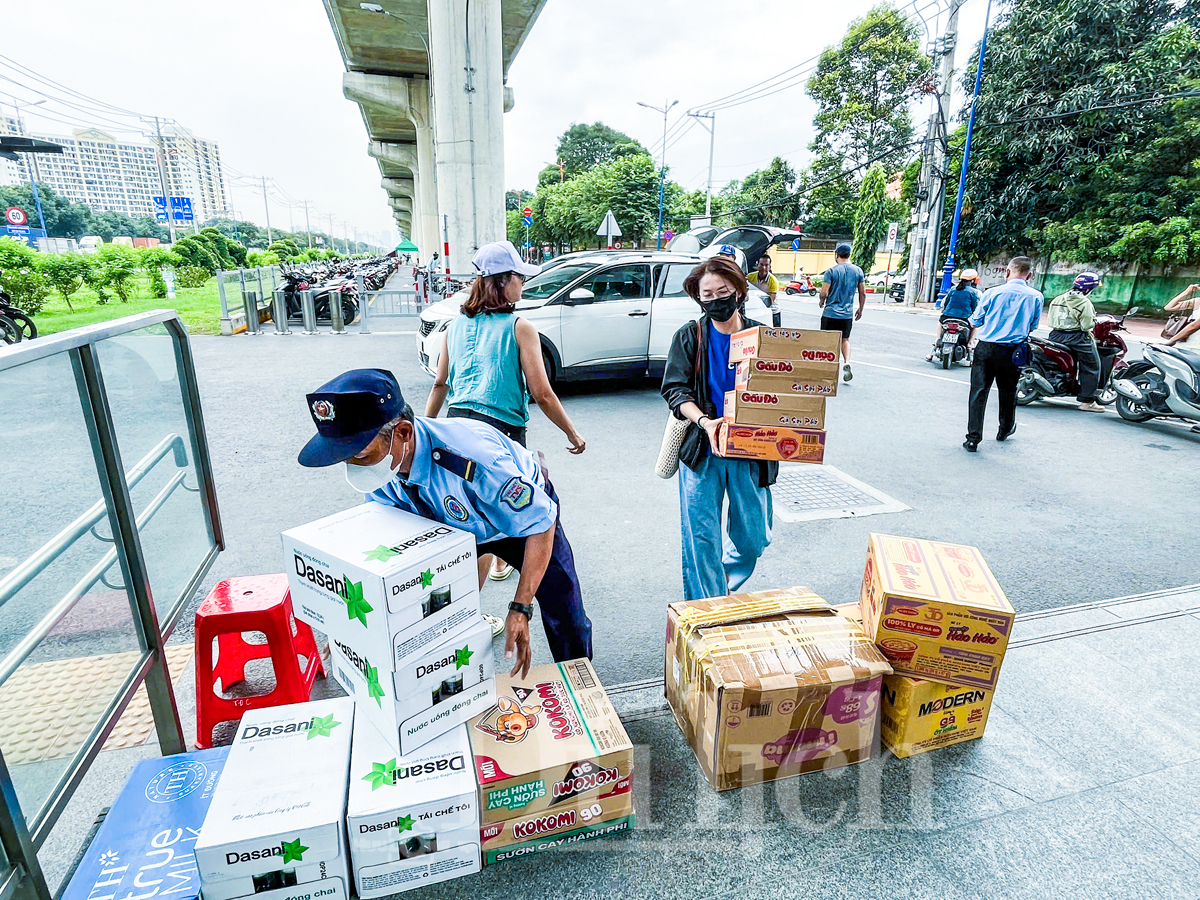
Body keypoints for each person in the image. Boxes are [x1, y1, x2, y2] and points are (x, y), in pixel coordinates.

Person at [297, 368, 592, 678]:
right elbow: (383, 551)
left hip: (522, 522)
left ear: (403, 433)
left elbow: (540, 524)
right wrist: (351, 627)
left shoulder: (475, 461)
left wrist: (520, 607)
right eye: (345, 458)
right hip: (455, 526)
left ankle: (581, 684)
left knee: (564, 611)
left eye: (360, 455)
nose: (354, 466)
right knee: (439, 610)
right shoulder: (381, 470)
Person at [426, 240, 585, 602]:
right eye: (518, 277)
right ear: (502, 281)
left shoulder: (456, 324)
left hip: (454, 430)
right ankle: (475, 610)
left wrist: (425, 431)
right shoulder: (520, 326)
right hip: (500, 435)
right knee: (501, 524)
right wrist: (572, 433)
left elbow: (440, 383)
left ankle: (476, 594)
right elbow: (542, 393)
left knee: (469, 523)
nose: (523, 285)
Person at [661, 257, 776, 601]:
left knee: (753, 538)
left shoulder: (763, 337)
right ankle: (706, 607)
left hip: (750, 451)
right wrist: (704, 421)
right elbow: (675, 390)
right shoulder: (689, 336)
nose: (714, 300)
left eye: (722, 292)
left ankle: (721, 584)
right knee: (701, 539)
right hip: (703, 450)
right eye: (706, 295)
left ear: (739, 291)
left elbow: (783, 389)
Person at [963, 256, 1044, 452]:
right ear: (1029, 275)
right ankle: (1005, 429)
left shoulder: (991, 293)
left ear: (1007, 272)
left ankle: (973, 439)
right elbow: (1033, 325)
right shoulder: (1035, 296)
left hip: (987, 348)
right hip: (1013, 351)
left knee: (978, 392)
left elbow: (975, 321)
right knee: (1008, 391)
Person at [1047, 272, 1105, 411]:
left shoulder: (1058, 298)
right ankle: (1087, 402)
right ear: (1089, 289)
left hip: (1055, 335)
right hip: (1077, 338)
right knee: (1091, 367)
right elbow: (1086, 326)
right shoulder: (1085, 303)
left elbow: (1050, 320)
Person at [819, 243, 866, 382]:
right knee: (845, 339)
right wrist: (860, 309)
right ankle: (847, 362)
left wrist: (822, 301)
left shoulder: (831, 272)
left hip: (830, 313)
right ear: (849, 255)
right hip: (847, 314)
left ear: (837, 255)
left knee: (827, 340)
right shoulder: (858, 271)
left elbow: (824, 292)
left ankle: (829, 367)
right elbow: (862, 293)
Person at [926, 269, 981, 362]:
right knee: (977, 326)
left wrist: (945, 312)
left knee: (940, 323)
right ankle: (971, 343)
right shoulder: (975, 292)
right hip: (965, 319)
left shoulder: (953, 289)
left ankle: (935, 346)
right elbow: (976, 307)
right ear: (973, 280)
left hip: (947, 317)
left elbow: (945, 304)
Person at [748, 254, 782, 327]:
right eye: (761, 264)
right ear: (757, 265)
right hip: (756, 311)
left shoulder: (773, 281)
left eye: (766, 265)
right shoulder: (750, 277)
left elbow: (770, 301)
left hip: (773, 312)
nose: (763, 267)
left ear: (769, 267)